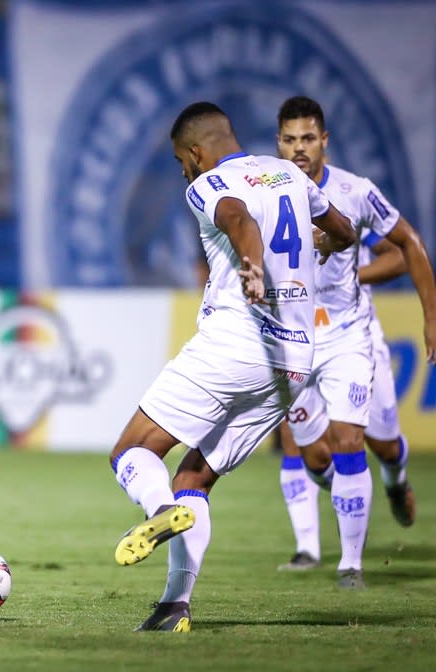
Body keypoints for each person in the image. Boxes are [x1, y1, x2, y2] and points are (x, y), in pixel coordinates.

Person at [109, 101, 355, 632]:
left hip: (237, 342)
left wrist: (251, 266)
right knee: (193, 477)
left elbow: (238, 218)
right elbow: (344, 229)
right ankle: (175, 606)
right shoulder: (289, 172)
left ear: (196, 153)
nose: (183, 172)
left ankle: (157, 513)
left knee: (131, 450)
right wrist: (326, 243)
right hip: (294, 362)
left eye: (181, 160)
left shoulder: (207, 184)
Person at [273, 96, 436, 585]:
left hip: (348, 334)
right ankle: (313, 541)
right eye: (289, 139)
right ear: (277, 143)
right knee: (313, 456)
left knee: (368, 443)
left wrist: (431, 317)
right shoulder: (266, 190)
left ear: (324, 140)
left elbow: (408, 244)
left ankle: (351, 563)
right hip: (293, 338)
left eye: (307, 138)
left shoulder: (354, 190)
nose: (299, 149)